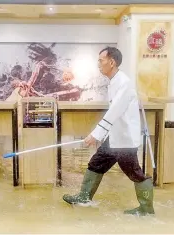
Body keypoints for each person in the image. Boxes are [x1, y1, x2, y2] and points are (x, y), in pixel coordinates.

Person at [62, 47, 155, 216]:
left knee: (135, 173)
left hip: (125, 140)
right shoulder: (114, 81)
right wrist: (102, 134)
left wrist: (95, 134)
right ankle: (84, 197)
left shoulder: (124, 83)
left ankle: (146, 208)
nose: (98, 64)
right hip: (115, 137)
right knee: (96, 163)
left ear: (111, 62)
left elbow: (114, 112)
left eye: (100, 60)